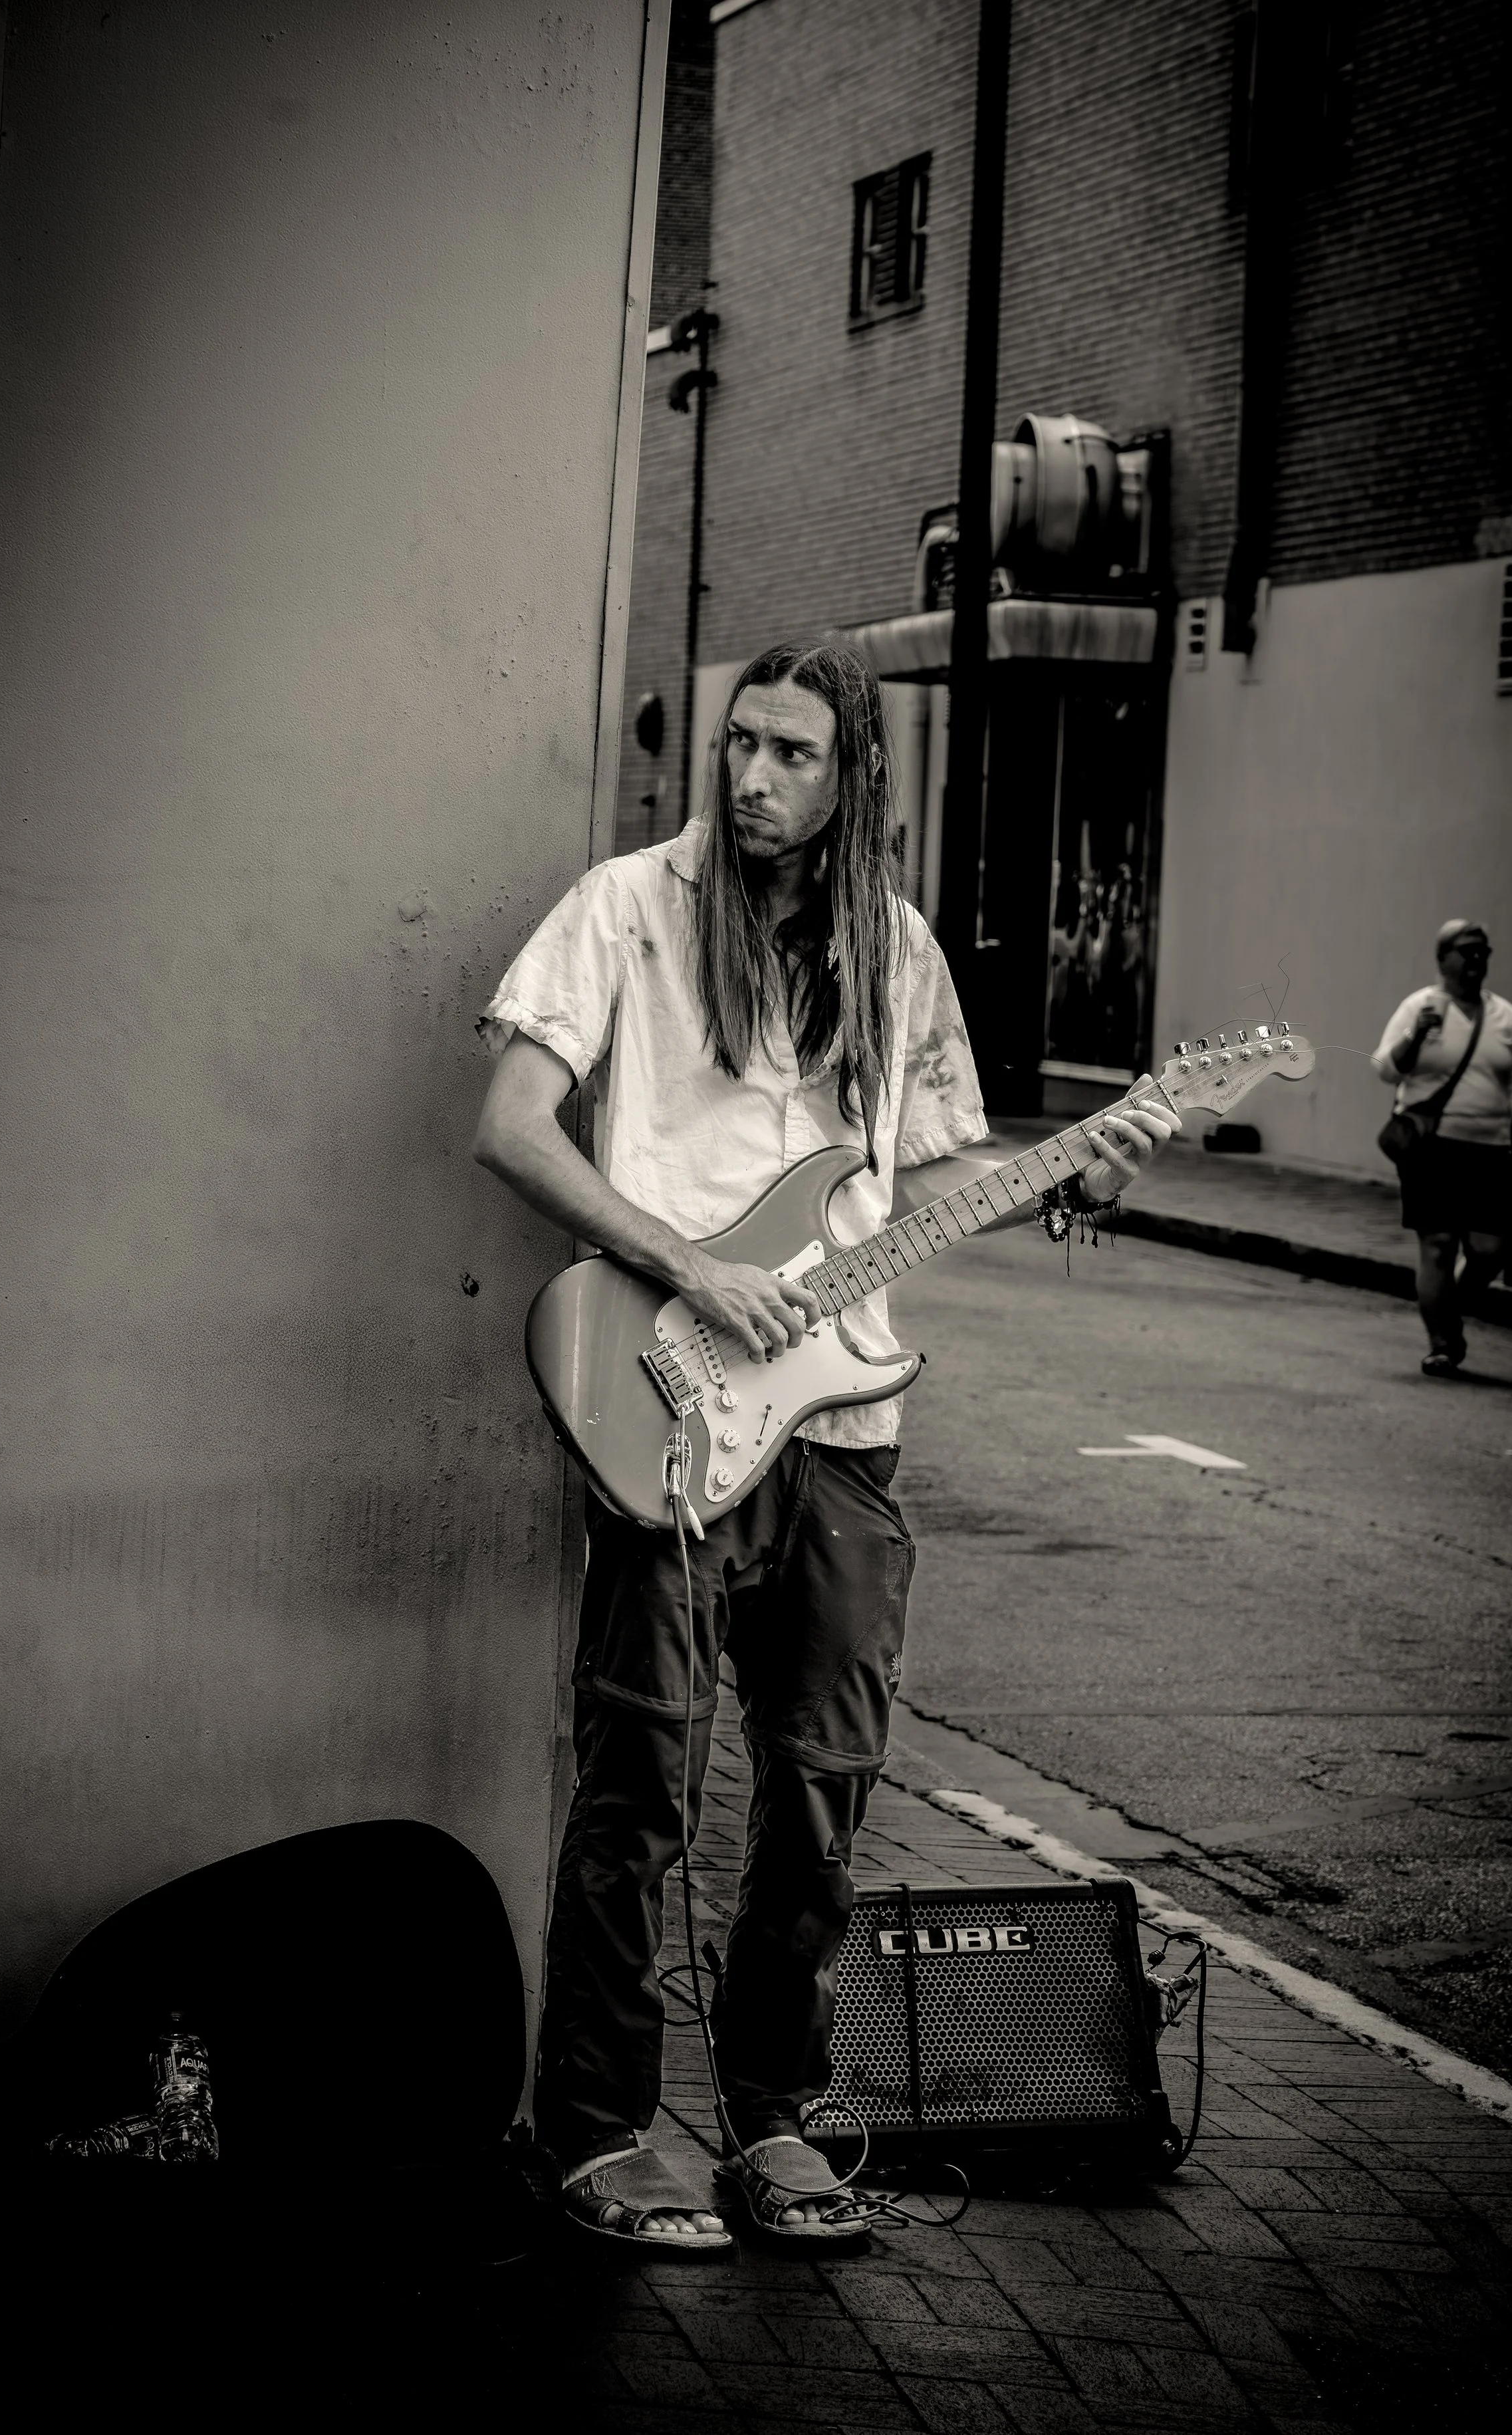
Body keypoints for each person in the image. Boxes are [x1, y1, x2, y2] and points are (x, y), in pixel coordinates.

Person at [473, 642, 1177, 2251]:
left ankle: (776, 2119)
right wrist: (682, 1260)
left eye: (794, 754)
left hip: (844, 1424)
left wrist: (1071, 1169)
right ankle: (595, 2130)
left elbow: (928, 1183)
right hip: (660, 1397)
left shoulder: (897, 952)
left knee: (823, 1784)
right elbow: (510, 1125)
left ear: (854, 773)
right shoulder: (629, 908)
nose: (754, 778)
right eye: (742, 747)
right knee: (644, 1774)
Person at [1372, 920, 1512, 1377]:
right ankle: (1443, 1343)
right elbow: (1386, 1069)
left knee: (1490, 1248)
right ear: (1443, 958)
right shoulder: (1419, 1007)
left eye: (1483, 951)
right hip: (1432, 1148)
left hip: (1490, 1150)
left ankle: (1451, 1311)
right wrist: (1417, 1036)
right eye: (1466, 951)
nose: (1476, 960)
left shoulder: (1503, 1015)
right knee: (1439, 1245)